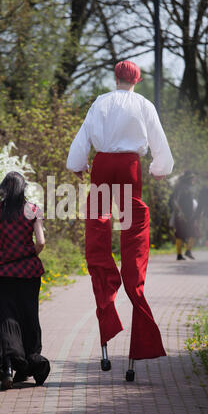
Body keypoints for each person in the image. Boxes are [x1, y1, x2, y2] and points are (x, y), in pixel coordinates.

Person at [66, 60, 174, 380]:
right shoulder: (143, 104)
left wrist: (78, 164)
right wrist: (159, 170)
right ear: (137, 80)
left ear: (115, 78)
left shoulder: (100, 102)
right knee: (134, 228)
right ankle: (133, 284)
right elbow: (160, 147)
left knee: (98, 229)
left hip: (101, 166)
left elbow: (82, 138)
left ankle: (106, 286)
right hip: (129, 167)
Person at [0, 171, 50, 390]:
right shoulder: (32, 210)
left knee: (5, 320)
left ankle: (7, 368)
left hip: (4, 275)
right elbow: (41, 241)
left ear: (3, 189)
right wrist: (30, 255)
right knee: (28, 317)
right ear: (23, 188)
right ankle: (26, 367)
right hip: (29, 274)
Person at [169, 171, 198, 260]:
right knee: (185, 234)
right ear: (188, 179)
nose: (194, 180)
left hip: (187, 214)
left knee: (188, 233)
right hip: (181, 215)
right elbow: (174, 201)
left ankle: (184, 252)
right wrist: (180, 212)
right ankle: (182, 253)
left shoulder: (184, 188)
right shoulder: (182, 188)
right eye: (192, 178)